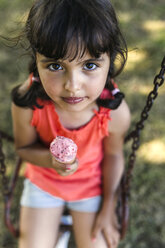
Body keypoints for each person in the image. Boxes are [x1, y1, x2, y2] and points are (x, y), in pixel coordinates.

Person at [11, 0, 131, 247]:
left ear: (110, 61)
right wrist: (51, 162)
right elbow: (23, 149)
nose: (72, 85)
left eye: (89, 65)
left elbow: (114, 155)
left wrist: (108, 208)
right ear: (37, 59)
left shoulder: (114, 112)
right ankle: (56, 232)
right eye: (55, 66)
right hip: (44, 181)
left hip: (91, 186)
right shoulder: (28, 103)